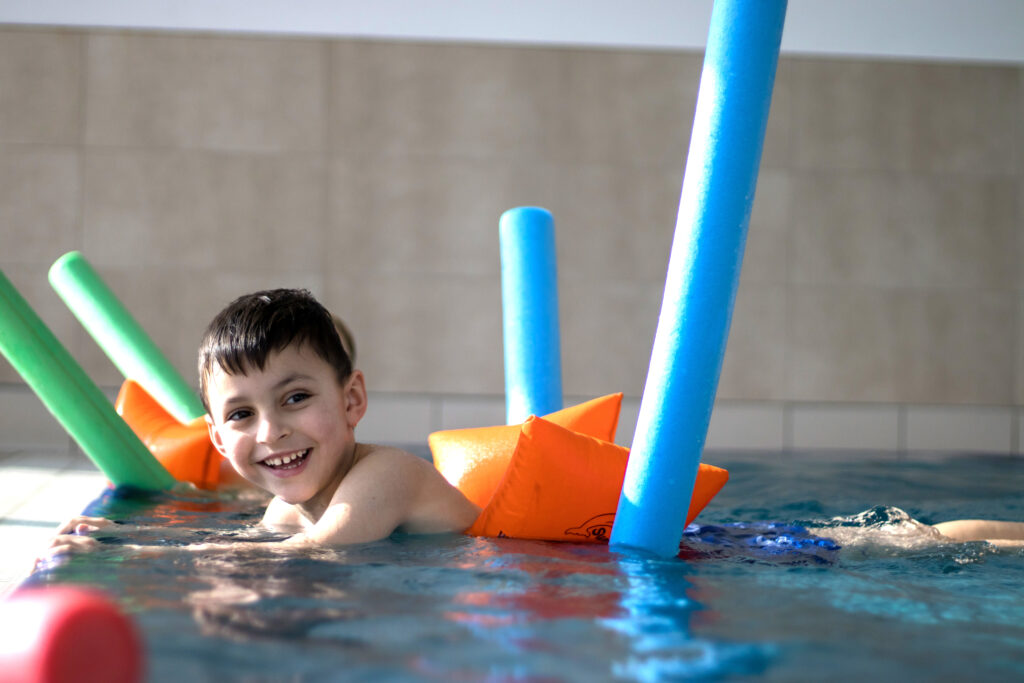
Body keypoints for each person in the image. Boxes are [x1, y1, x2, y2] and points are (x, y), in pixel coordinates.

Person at [45, 289, 480, 558]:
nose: (270, 432)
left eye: (296, 398)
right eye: (241, 414)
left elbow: (314, 551)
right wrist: (123, 535)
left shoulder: (388, 474)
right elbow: (244, 546)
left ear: (352, 400)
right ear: (216, 437)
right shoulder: (287, 507)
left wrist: (140, 555)